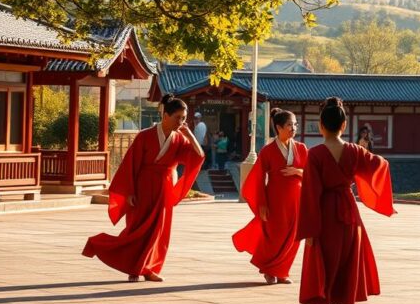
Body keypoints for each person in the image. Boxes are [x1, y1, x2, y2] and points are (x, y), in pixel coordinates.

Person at [82, 94, 205, 282]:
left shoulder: (180, 139)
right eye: (177, 117)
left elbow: (198, 156)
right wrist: (129, 191)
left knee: (158, 231)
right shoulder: (145, 136)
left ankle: (149, 268)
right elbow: (130, 164)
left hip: (164, 188)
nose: (181, 122)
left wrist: (189, 135)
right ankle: (107, 249)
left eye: (184, 118)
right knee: (136, 230)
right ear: (165, 115)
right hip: (142, 188)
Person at [297, 97, 395, 304]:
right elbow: (380, 164)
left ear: (321, 125)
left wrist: (309, 229)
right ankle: (347, 301)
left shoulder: (316, 154)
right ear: (344, 125)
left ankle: (322, 303)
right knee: (349, 254)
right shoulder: (354, 151)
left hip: (325, 210)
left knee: (326, 256)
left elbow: (310, 192)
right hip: (349, 209)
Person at [233, 108, 309, 285]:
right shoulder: (268, 151)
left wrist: (298, 171)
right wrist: (262, 203)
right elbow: (258, 178)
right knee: (273, 235)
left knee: (294, 236)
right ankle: (269, 269)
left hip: (297, 199)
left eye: (295, 125)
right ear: (279, 127)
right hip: (275, 198)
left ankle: (282, 271)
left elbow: (312, 173)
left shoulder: (301, 148)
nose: (293, 128)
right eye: (290, 125)